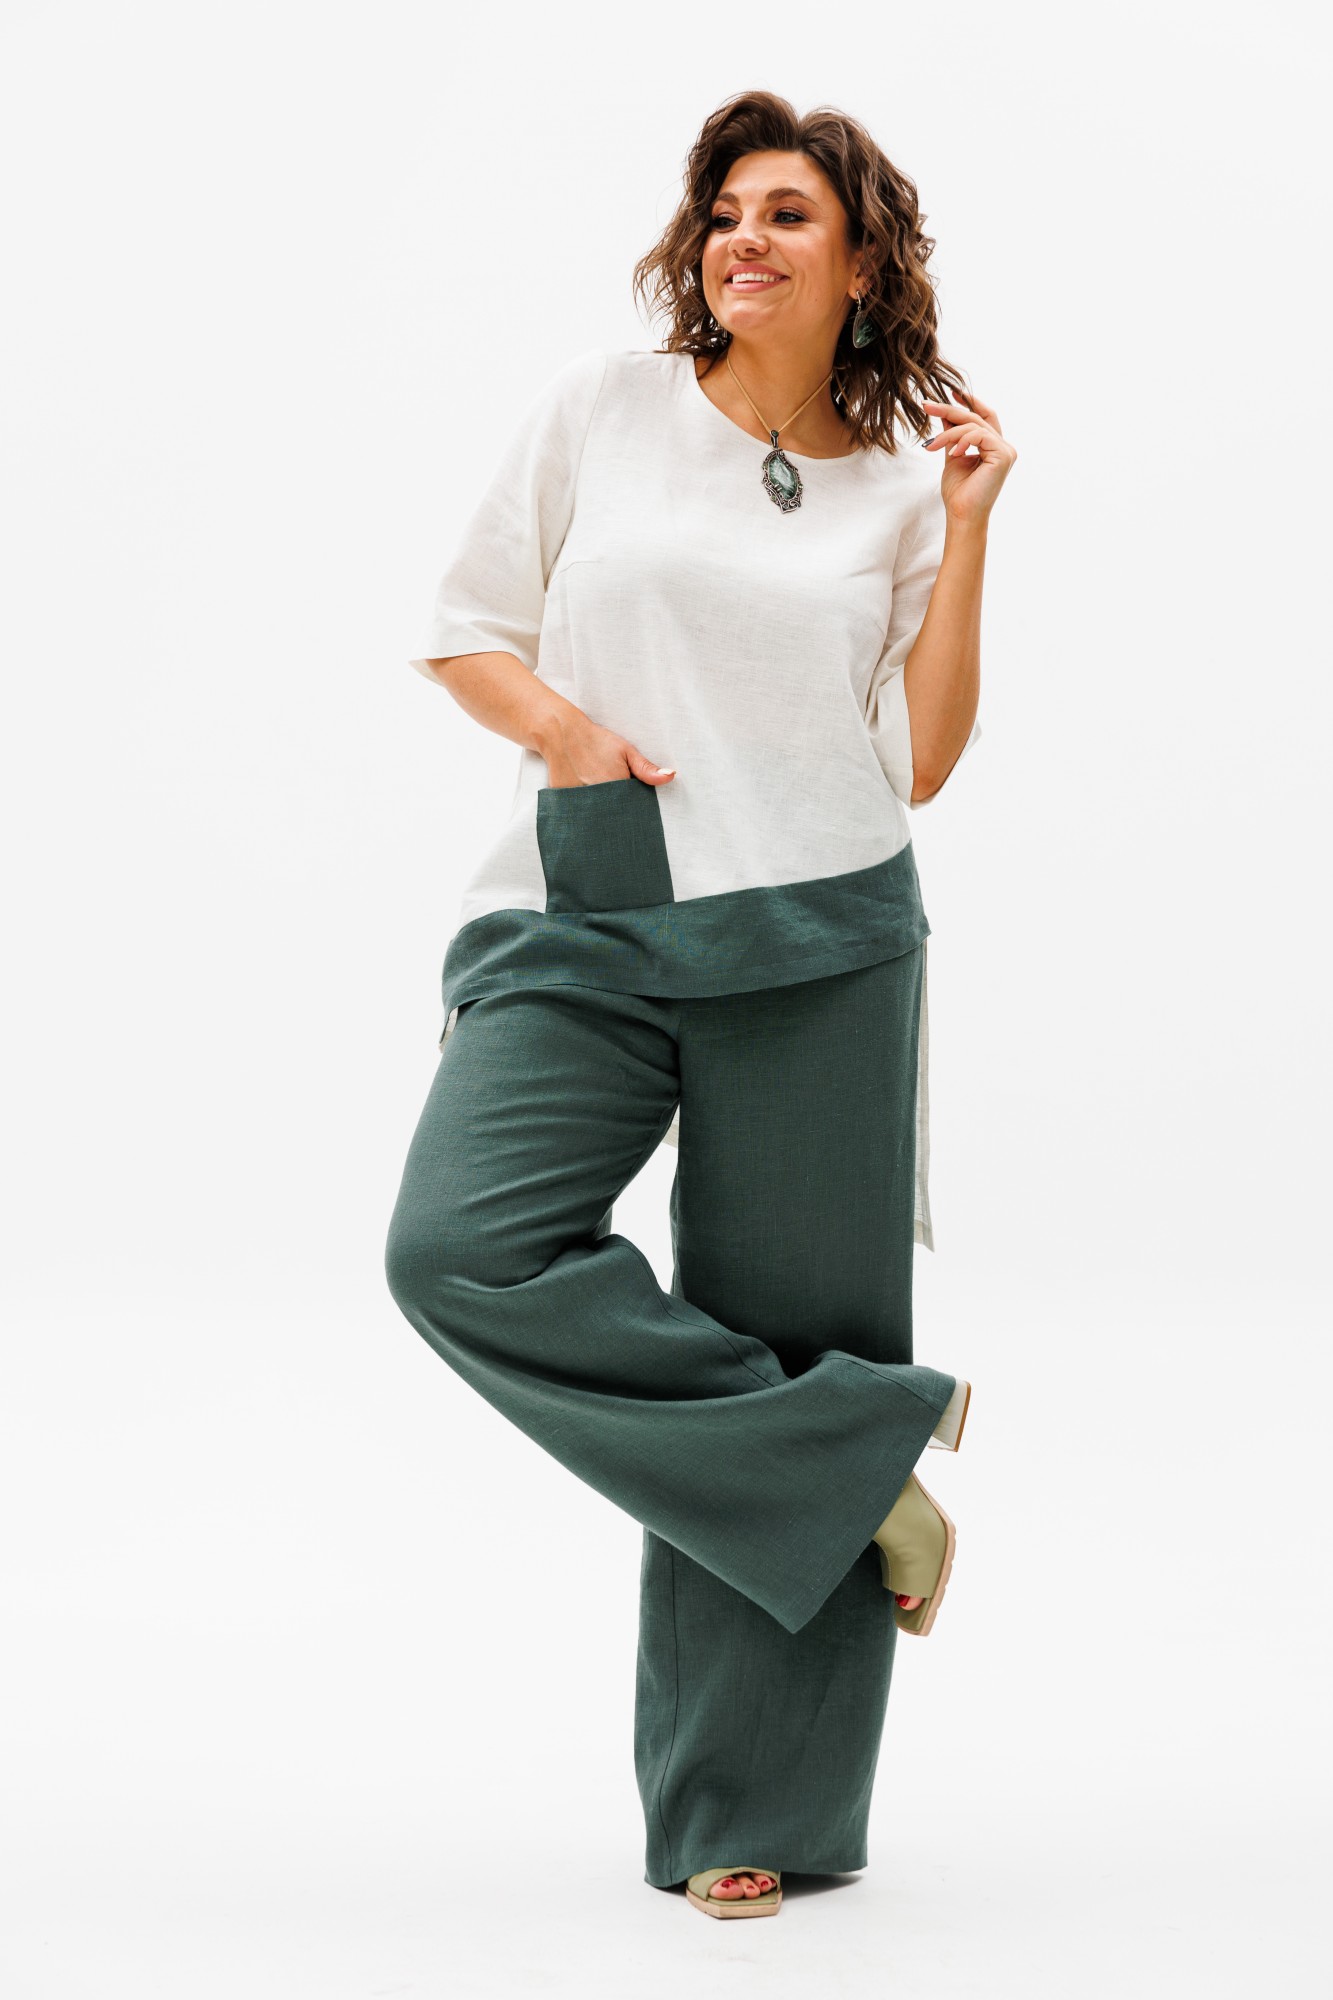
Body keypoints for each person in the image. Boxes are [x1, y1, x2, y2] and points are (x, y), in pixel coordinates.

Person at [384, 88, 1016, 1919]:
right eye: (726, 210)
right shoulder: (604, 407)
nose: (745, 237)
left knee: (791, 1321)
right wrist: (573, 736)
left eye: (789, 214)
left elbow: (920, 757)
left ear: (861, 261)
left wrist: (969, 525)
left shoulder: (899, 488)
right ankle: (860, 1460)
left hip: (822, 937)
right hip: (591, 913)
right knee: (460, 1250)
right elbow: (466, 627)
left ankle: (758, 1809)